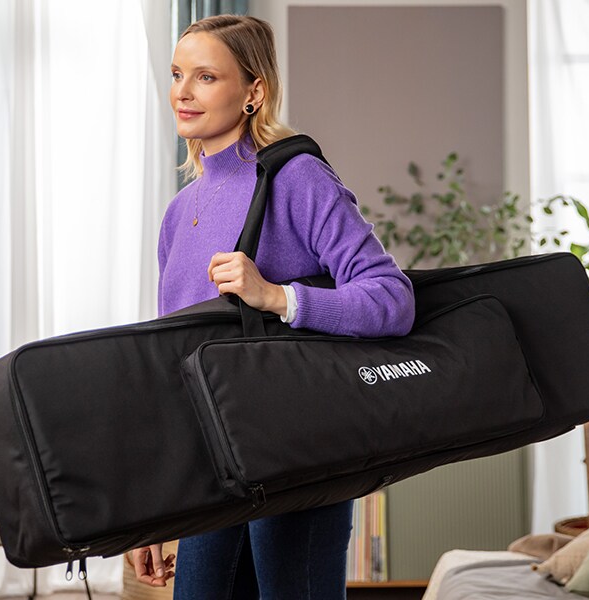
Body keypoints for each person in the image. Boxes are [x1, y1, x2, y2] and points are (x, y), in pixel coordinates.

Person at [129, 13, 415, 600]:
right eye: (179, 74)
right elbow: (172, 368)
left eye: (206, 77)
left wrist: (275, 296)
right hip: (212, 474)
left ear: (254, 90)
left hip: (297, 454)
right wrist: (150, 509)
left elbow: (392, 300)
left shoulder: (297, 177)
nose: (182, 92)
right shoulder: (179, 212)